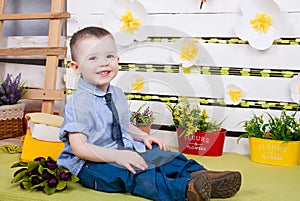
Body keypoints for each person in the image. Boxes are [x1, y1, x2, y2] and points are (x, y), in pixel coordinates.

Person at [57, 26, 241, 201]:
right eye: (92, 58)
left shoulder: (116, 94)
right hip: (92, 164)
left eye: (109, 56)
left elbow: (121, 124)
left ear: (117, 60)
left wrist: (141, 137)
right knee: (136, 173)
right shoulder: (79, 103)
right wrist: (116, 156)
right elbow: (79, 148)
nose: (104, 62)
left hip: (124, 151)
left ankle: (201, 176)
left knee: (164, 155)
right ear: (76, 67)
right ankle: (186, 190)